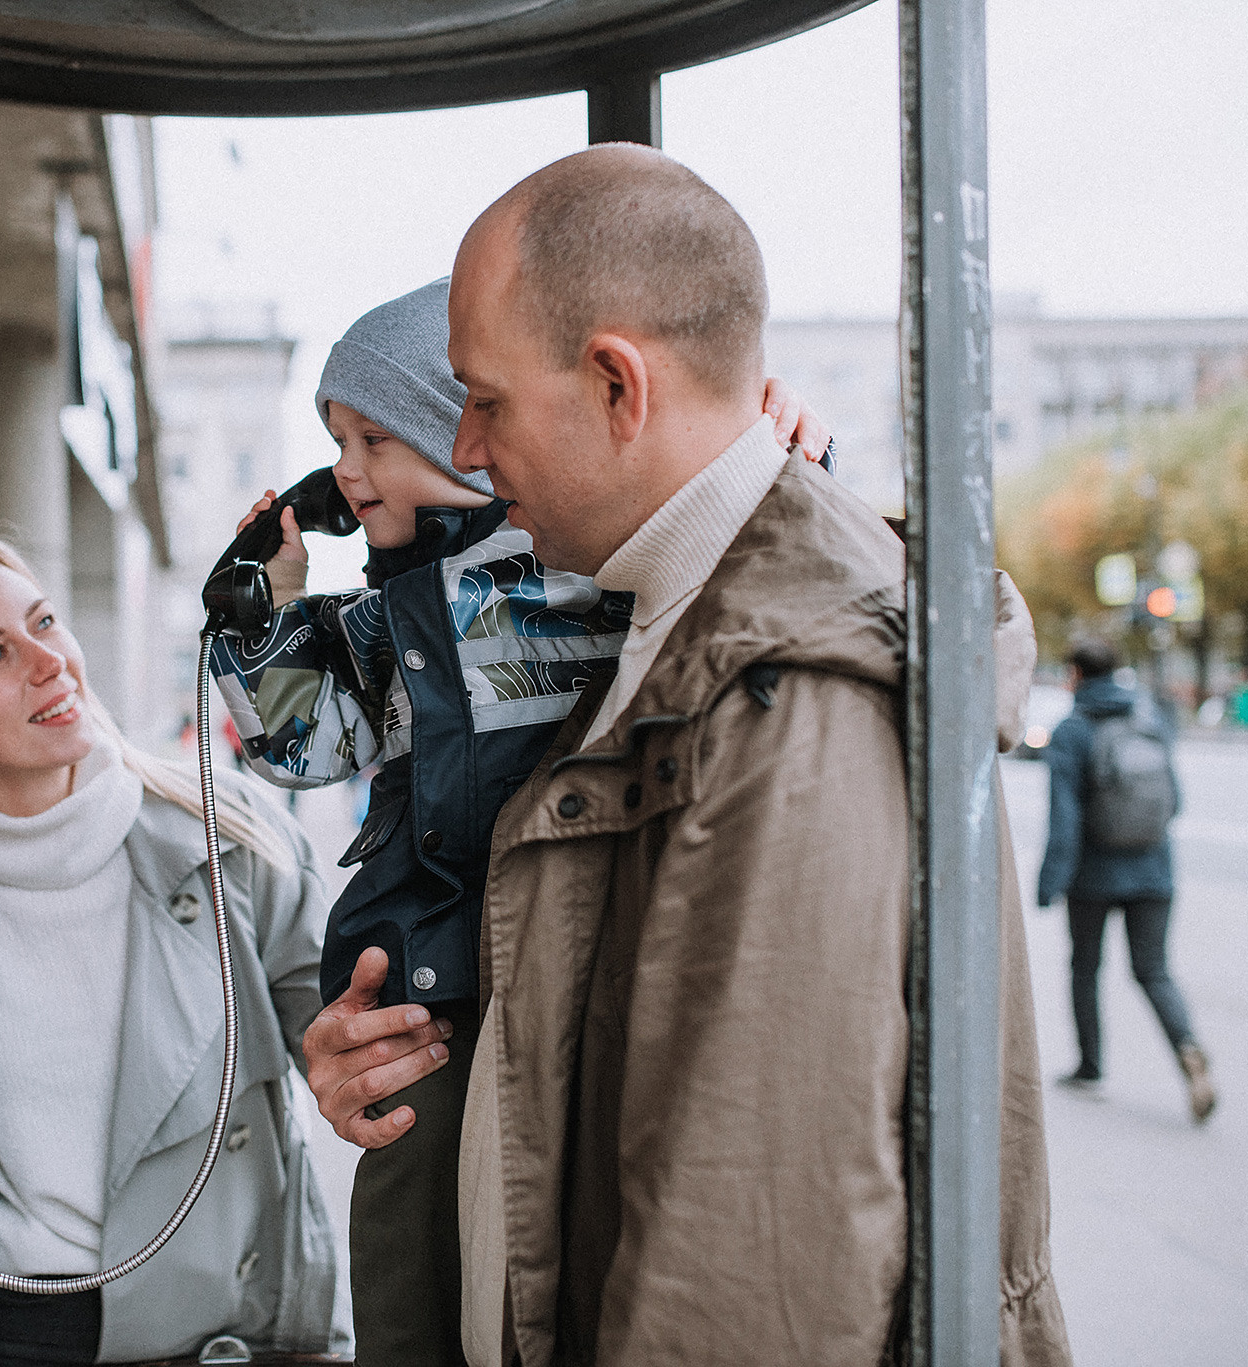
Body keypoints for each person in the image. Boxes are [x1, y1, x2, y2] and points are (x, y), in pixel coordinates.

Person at [299, 144, 1071, 1365]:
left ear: (616, 384)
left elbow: (743, 1265)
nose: (466, 446)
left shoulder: (785, 689)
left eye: (484, 399)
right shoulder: (634, 615)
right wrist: (408, 1053)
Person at [207, 279, 833, 1367]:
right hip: (435, 984)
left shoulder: (589, 559)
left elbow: (729, 576)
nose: (346, 472)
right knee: (412, 1258)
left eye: (370, 438)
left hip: (580, 956)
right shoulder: (382, 616)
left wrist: (786, 470)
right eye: (332, 446)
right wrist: (258, 620)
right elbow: (300, 745)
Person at [0, 527, 350, 1367]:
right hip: (14, 1335)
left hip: (225, 1335)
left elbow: (342, 1050)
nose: (50, 662)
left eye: (45, 622)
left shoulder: (232, 840)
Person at [1038, 638, 1216, 1122]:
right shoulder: (1149, 718)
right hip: (1154, 869)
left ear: (1075, 674)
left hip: (1093, 875)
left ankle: (1090, 1067)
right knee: (1153, 970)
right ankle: (1188, 1047)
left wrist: (1049, 881)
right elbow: (1174, 801)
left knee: (1085, 967)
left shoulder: (1073, 731)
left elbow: (1064, 816)